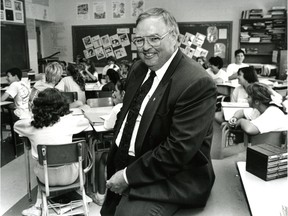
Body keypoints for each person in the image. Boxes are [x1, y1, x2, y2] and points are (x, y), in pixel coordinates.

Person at [101, 8, 217, 216]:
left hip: (172, 177)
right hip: (129, 163)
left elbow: (178, 150)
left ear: (175, 38)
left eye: (154, 38)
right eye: (139, 40)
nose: (146, 48)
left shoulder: (196, 82)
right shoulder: (138, 68)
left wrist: (127, 176)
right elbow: (127, 116)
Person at [14, 88, 90, 216]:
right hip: (71, 176)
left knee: (42, 162)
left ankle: (38, 206)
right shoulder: (69, 122)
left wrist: (33, 117)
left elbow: (17, 125)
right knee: (83, 148)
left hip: (45, 178)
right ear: (62, 105)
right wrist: (67, 116)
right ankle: (81, 194)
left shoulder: (31, 126)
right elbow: (86, 123)